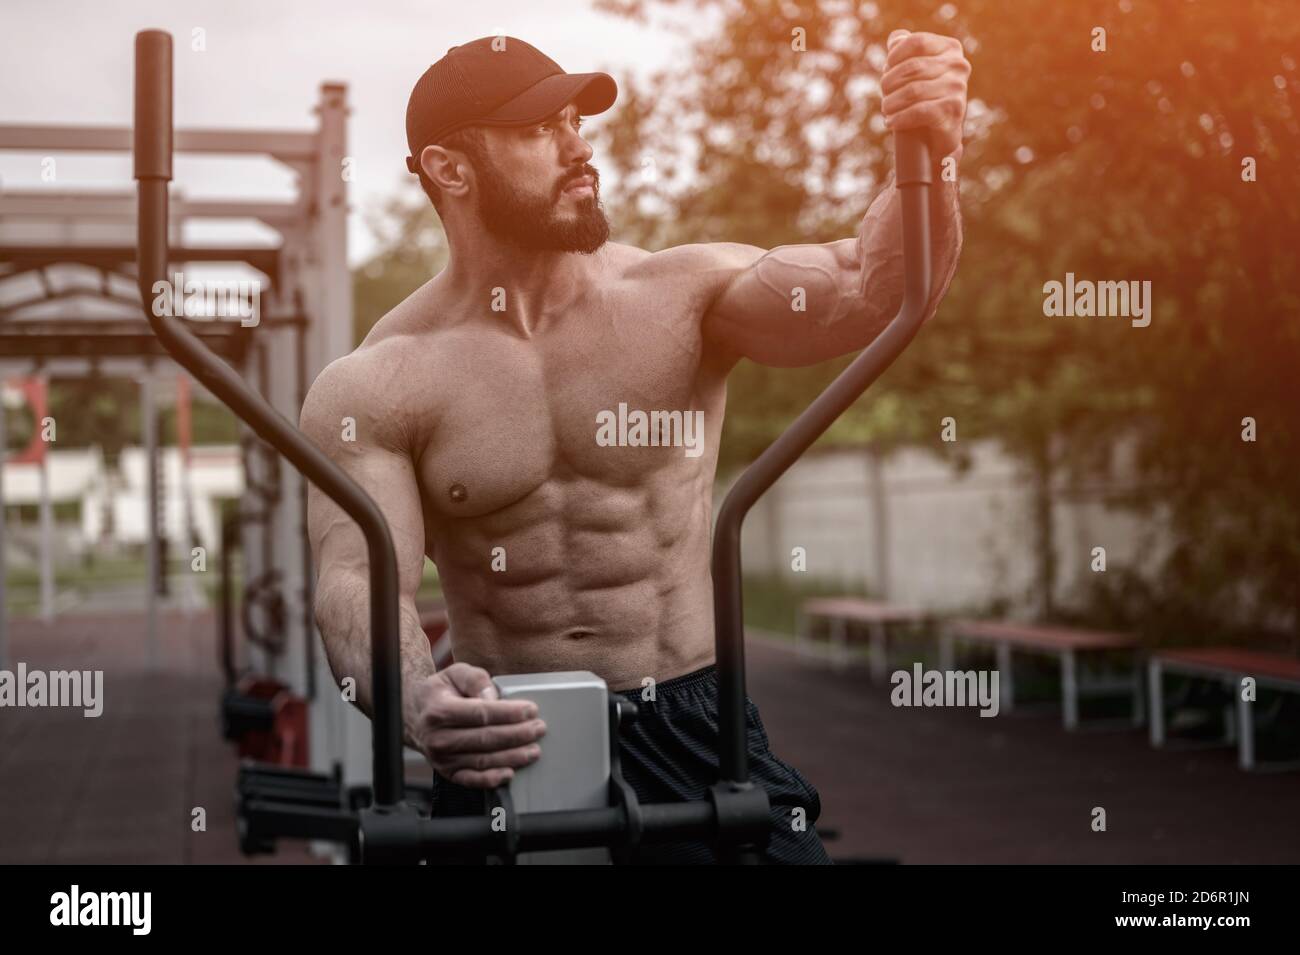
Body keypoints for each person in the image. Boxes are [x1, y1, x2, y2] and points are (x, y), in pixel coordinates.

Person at [302, 31, 969, 864]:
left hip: (696, 731)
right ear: (449, 170)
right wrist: (415, 699)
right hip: (512, 739)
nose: (579, 147)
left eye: (578, 122)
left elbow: (880, 286)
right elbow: (356, 577)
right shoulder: (377, 383)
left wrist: (934, 153)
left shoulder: (680, 296)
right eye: (539, 130)